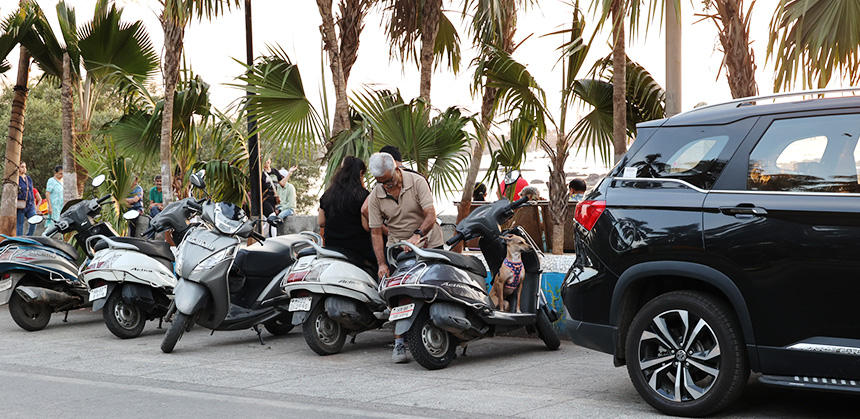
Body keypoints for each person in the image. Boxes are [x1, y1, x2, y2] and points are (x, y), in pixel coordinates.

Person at [366, 152, 443, 364]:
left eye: (390, 181)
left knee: (435, 288)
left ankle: (443, 329)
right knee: (399, 295)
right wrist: (382, 263)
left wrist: (417, 235)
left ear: (397, 170)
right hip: (398, 249)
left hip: (428, 243)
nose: (387, 187)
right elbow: (374, 232)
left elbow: (430, 214)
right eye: (382, 183)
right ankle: (399, 342)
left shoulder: (417, 182)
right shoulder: (376, 195)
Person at [319, 157, 374, 264]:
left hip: (332, 248)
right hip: (358, 251)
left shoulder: (328, 194)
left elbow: (321, 222)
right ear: (360, 173)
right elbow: (366, 227)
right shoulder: (362, 195)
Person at [15, 162, 36, 236]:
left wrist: (34, 205)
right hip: (21, 205)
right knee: (19, 225)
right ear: (18, 168)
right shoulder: (16, 179)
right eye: (22, 167)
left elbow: (31, 191)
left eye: (25, 166)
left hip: (30, 204)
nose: (24, 168)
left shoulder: (28, 178)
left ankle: (28, 236)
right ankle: (19, 240)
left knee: (34, 222)